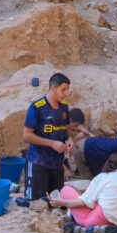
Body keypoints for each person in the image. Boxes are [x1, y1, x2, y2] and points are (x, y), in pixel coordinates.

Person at [52, 152, 117, 233]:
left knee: (66, 190)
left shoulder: (102, 177)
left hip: (97, 220)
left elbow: (82, 202)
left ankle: (72, 216)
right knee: (94, 202)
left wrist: (62, 202)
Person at [21, 72, 73, 201]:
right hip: (38, 161)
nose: (66, 93)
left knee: (57, 202)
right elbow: (26, 136)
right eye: (63, 90)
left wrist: (70, 140)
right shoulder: (36, 108)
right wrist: (52, 143)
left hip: (57, 164)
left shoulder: (64, 107)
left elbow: (67, 130)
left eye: (67, 90)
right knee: (36, 202)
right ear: (53, 88)